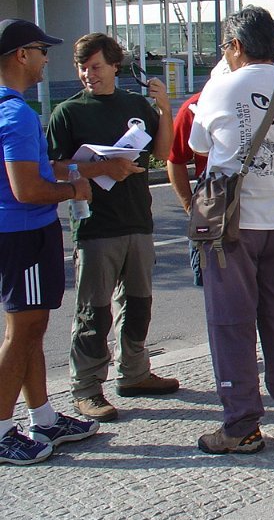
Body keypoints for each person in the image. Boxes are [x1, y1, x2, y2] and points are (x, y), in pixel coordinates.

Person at [187, 6, 274, 455]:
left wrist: (219, 80)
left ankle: (241, 423)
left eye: (227, 45)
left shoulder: (220, 87)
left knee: (232, 323)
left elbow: (198, 145)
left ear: (237, 46)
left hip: (233, 225)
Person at [47, 33, 178, 423]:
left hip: (137, 220)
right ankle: (86, 388)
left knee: (138, 305)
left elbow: (162, 153)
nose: (89, 74)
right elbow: (53, 168)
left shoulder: (135, 105)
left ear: (115, 66)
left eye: (96, 67)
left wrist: (165, 110)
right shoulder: (67, 113)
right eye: (83, 68)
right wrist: (104, 167)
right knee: (94, 312)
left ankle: (134, 373)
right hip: (95, 227)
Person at [0, 19, 98, 465]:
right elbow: (26, 190)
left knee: (31, 329)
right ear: (22, 55)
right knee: (22, 333)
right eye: (42, 50)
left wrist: (62, 174)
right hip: (24, 234)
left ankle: (43, 418)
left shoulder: (10, 108)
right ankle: (3, 430)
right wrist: (73, 189)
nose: (46, 59)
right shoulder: (17, 114)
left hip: (18, 234)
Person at [167, 59, 232, 287]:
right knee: (211, 274)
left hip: (254, 199)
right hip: (211, 198)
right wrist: (189, 206)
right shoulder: (193, 108)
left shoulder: (257, 104)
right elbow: (175, 159)